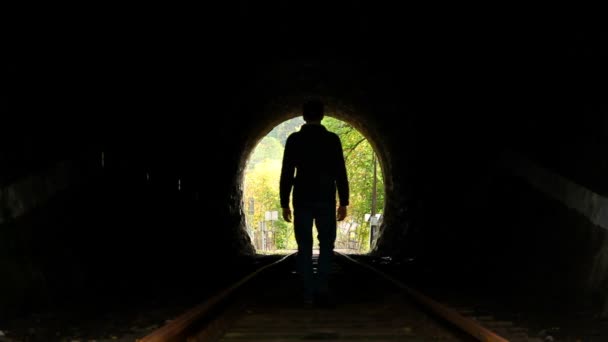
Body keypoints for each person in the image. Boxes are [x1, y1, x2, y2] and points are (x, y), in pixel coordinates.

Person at [279, 98, 349, 306]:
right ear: (322, 115)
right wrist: (343, 201)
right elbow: (340, 172)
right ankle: (322, 288)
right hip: (326, 196)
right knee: (327, 243)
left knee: (304, 245)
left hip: (301, 197)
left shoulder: (294, 140)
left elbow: (287, 172)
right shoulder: (332, 139)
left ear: (303, 116)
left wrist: (284, 202)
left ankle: (308, 291)